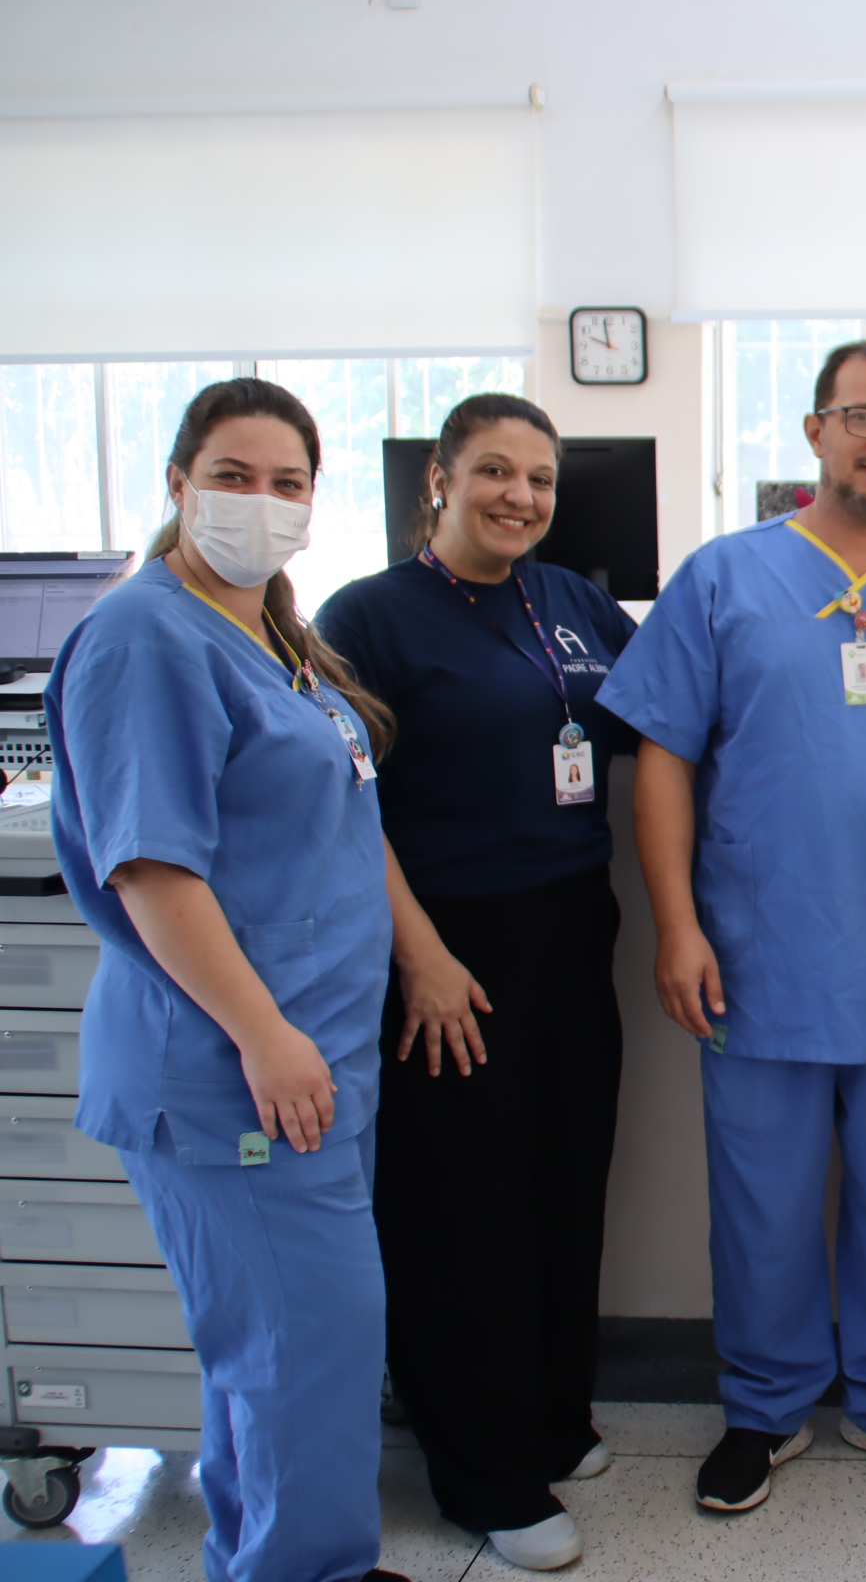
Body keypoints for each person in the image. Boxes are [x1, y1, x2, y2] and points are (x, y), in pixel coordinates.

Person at [599, 339, 866, 1515]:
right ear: (814, 431)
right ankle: (763, 1404)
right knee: (763, 1200)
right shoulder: (724, 578)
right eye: (862, 415)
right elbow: (663, 759)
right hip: (757, 956)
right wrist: (677, 924)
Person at [45, 379, 423, 1582]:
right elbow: (155, 870)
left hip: (310, 1055)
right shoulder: (144, 634)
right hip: (235, 1070)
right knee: (303, 1353)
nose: (261, 504)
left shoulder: (272, 630)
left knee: (277, 1357)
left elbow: (336, 820)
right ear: (177, 482)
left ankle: (268, 1561)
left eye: (288, 483)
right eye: (234, 476)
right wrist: (263, 1035)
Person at [317, 394, 640, 1572]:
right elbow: (343, 807)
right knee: (465, 1212)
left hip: (570, 928)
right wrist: (421, 955)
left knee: (563, 1181)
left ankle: (553, 1418)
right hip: (448, 945)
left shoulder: (570, 601)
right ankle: (485, 1473)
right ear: (437, 484)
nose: (521, 497)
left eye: (540, 480)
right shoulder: (368, 617)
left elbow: (660, 721)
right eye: (494, 472)